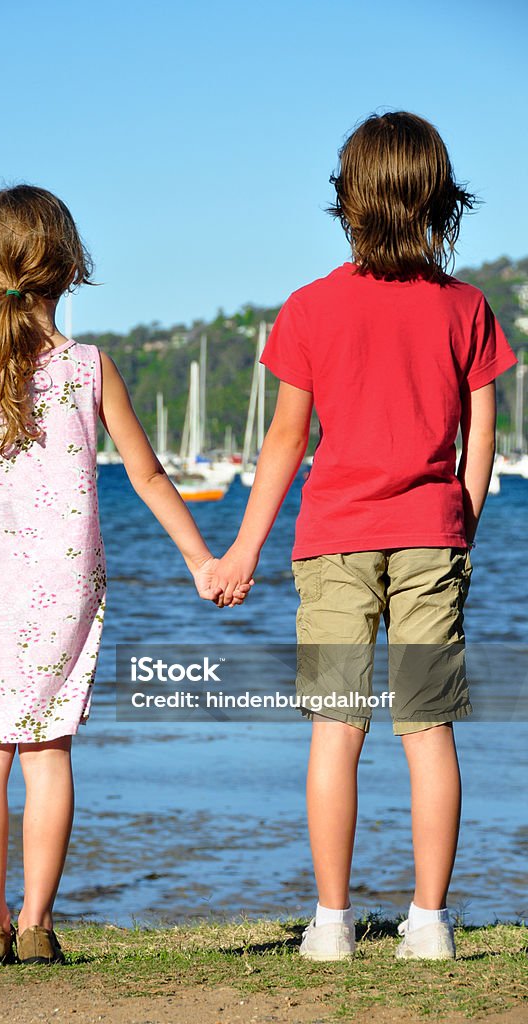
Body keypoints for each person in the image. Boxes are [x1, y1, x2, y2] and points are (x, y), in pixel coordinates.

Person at [0, 184, 250, 967]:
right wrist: (202, 560)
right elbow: (151, 477)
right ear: (70, 267)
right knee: (48, 751)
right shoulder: (90, 368)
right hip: (63, 585)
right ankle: (37, 925)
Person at [213, 112, 518, 961]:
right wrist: (459, 527)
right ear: (437, 199)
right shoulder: (468, 307)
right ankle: (428, 926)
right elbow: (481, 439)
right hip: (432, 538)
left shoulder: (309, 308)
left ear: (347, 200)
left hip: (333, 542)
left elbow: (285, 442)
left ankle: (333, 924)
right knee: (429, 730)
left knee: (334, 731)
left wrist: (241, 550)